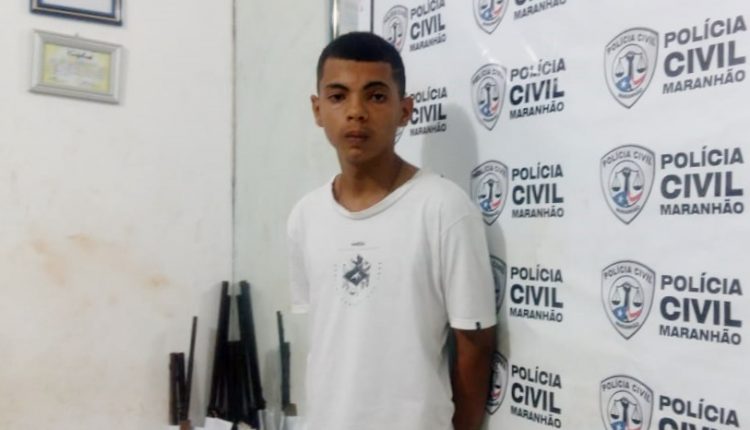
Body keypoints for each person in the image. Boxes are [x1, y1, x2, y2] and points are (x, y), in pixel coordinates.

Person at [287, 32, 497, 430]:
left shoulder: (444, 208)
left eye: (376, 96)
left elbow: (475, 347)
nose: (356, 112)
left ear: (405, 110)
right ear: (317, 109)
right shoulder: (305, 215)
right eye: (338, 96)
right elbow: (324, 337)